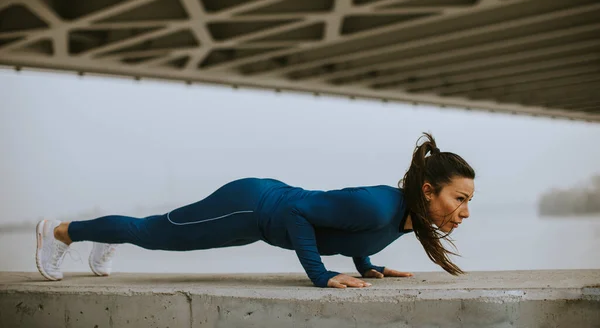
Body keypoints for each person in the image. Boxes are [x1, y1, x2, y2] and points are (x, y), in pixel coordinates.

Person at [35, 133, 475, 288]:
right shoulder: (377, 203)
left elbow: (346, 229)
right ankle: (60, 232)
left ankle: (105, 241)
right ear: (428, 190)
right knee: (156, 233)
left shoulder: (402, 218)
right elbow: (297, 215)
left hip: (260, 212)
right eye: (460, 199)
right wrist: (320, 276)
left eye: (468, 202)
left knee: (151, 233)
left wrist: (366, 264)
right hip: (248, 207)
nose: (465, 212)